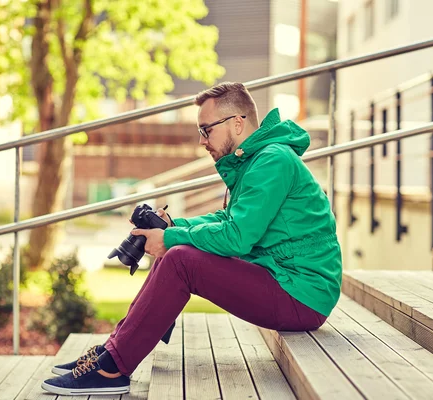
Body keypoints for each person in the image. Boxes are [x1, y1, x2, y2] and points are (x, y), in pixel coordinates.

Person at [41, 82, 342, 396]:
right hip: (286, 280)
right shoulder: (258, 160)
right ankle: (114, 350)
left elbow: (237, 237)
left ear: (237, 123)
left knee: (180, 259)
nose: (202, 141)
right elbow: (229, 220)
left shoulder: (272, 161)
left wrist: (170, 237)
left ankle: (113, 366)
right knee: (178, 250)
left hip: (302, 294)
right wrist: (174, 225)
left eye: (206, 129)